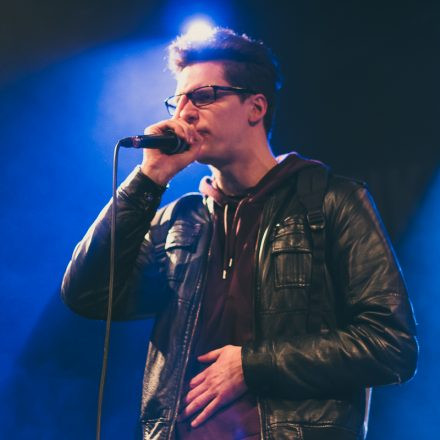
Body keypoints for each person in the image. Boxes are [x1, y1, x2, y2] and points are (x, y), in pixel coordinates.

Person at [61, 27, 418, 439]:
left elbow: (391, 344)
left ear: (256, 107)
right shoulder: (180, 221)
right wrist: (148, 179)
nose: (184, 113)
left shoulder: (330, 201)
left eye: (203, 96)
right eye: (178, 100)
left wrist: (252, 365)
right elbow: (87, 295)